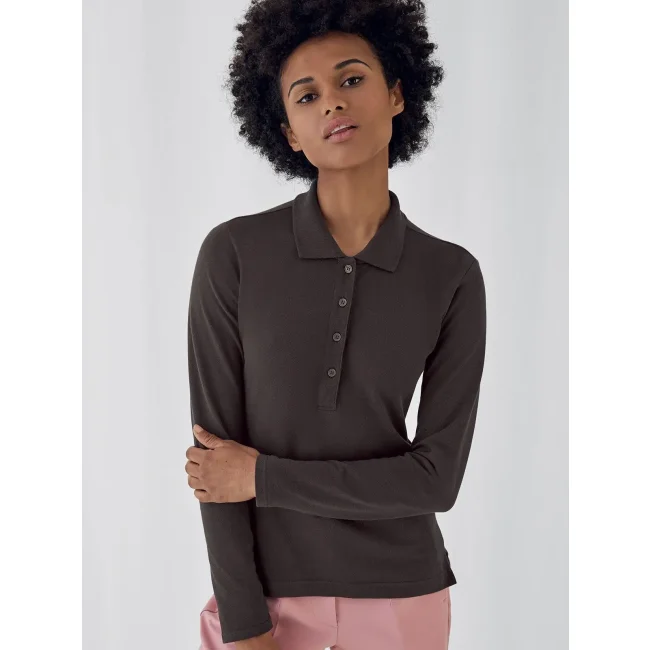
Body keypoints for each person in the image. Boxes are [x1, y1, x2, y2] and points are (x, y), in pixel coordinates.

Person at [184, 1, 487, 648]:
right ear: (289, 132)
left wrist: (262, 477)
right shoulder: (234, 253)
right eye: (307, 95)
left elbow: (437, 480)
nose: (333, 103)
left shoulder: (451, 274)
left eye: (351, 79)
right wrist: (244, 622)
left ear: (397, 94)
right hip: (265, 599)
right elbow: (215, 463)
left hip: (404, 594)